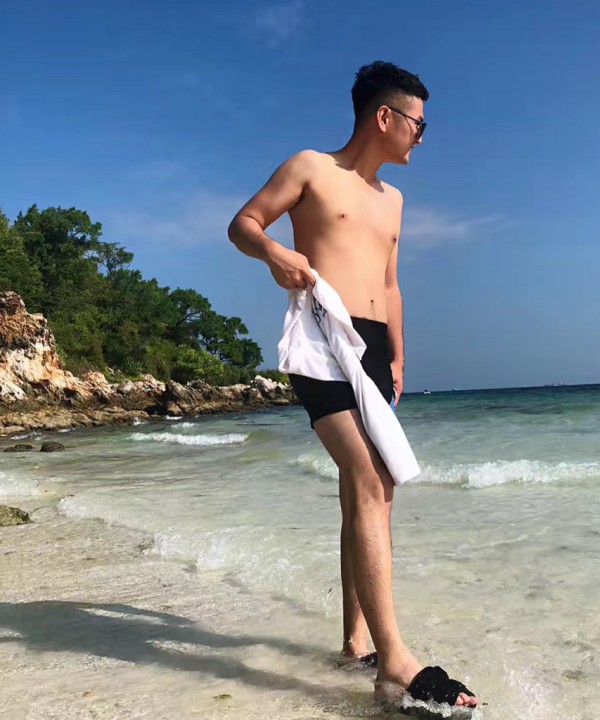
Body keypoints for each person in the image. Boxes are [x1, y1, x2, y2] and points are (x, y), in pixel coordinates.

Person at [228, 61, 478, 714]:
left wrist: (398, 355)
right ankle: (395, 663)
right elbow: (244, 223)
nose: (422, 136)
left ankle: (354, 642)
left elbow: (391, 284)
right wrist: (276, 253)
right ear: (384, 117)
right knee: (374, 480)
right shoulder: (311, 167)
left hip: (373, 349)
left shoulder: (395, 201)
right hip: (320, 336)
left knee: (360, 494)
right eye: (419, 123)